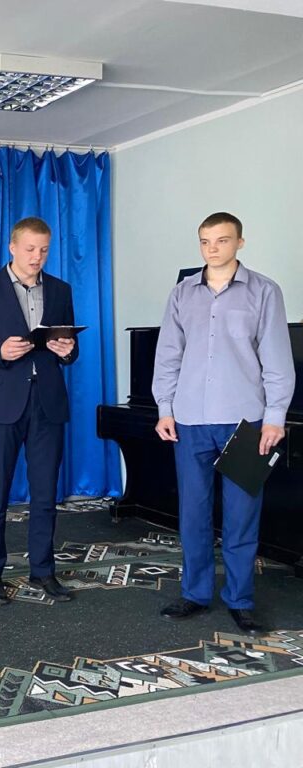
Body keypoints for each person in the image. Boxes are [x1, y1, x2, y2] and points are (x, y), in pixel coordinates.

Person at [153, 212, 294, 635]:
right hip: (190, 420)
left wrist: (275, 417)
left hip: (245, 422)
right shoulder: (182, 294)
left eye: (221, 240)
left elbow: (277, 358)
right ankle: (195, 594)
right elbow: (168, 355)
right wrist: (164, 408)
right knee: (193, 514)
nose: (212, 249)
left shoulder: (265, 291)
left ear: (240, 243)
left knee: (241, 516)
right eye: (205, 241)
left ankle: (240, 600)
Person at [0, 217, 79, 605]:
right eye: (30, 249)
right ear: (12, 248)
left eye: (44, 250)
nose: (37, 256)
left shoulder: (60, 289)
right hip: (0, 405)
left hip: (48, 404)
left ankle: (43, 571)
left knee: (45, 494)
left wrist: (68, 351)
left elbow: (69, 348)